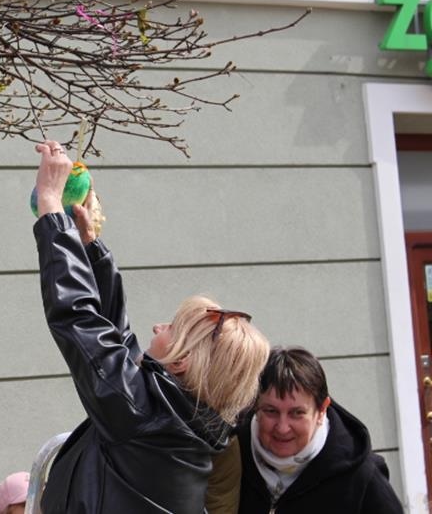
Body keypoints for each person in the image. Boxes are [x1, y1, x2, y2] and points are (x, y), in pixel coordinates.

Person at [32, 140, 271, 513]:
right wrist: (90, 247)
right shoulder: (175, 420)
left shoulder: (143, 414)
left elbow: (78, 317)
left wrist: (50, 206)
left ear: (182, 362)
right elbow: (117, 341)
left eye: (172, 328)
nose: (159, 327)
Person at [237, 346, 403, 513]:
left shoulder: (361, 476)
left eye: (297, 413)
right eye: (271, 411)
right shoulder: (233, 454)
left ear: (322, 409)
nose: (282, 428)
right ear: (255, 405)